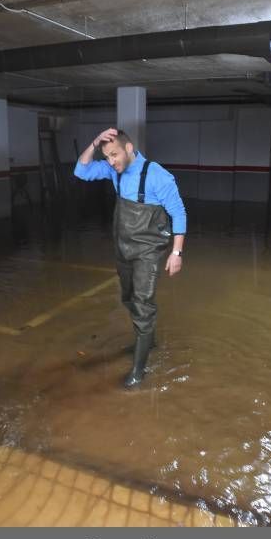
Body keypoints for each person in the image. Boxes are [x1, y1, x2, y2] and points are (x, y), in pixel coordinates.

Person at [74, 128, 186, 388]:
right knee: (128, 298)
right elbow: (81, 171)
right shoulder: (115, 170)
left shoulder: (158, 176)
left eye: (114, 155)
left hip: (148, 252)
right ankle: (148, 339)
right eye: (107, 157)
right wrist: (94, 143)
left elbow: (179, 213)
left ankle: (138, 371)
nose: (111, 162)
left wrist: (176, 252)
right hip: (123, 248)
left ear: (129, 147)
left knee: (142, 301)